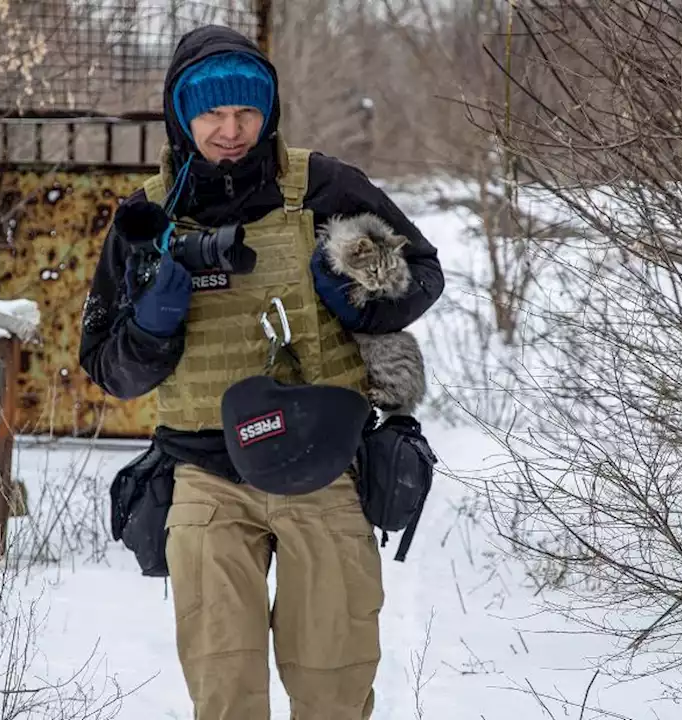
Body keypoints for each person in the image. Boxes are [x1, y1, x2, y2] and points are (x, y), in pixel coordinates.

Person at [78, 24, 444, 720]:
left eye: (247, 111)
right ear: (181, 115)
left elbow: (422, 276)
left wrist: (353, 292)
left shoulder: (323, 186)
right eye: (212, 112)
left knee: (334, 686)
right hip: (205, 476)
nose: (230, 129)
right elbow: (108, 368)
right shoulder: (148, 218)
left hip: (326, 469)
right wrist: (153, 325)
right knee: (224, 693)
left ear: (269, 111)